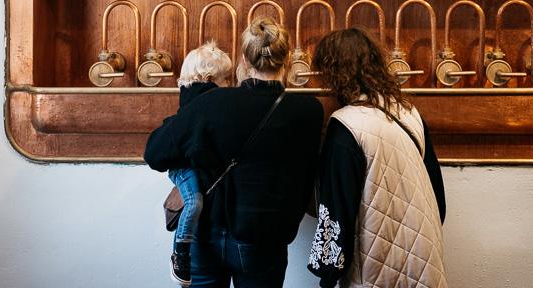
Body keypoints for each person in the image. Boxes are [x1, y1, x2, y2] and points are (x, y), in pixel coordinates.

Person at [145, 16, 324, 288]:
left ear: (244, 60)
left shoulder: (213, 102)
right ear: (287, 60)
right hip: (265, 240)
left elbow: (155, 153)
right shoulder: (309, 111)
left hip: (207, 234)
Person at [306, 27, 447, 288]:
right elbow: (438, 198)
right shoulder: (409, 113)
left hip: (375, 263)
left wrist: (327, 275)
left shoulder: (345, 125)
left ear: (334, 72)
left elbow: (337, 211)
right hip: (425, 256)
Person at [167, 42, 236, 285]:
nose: (230, 84)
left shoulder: (196, 99)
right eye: (226, 78)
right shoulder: (200, 103)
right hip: (184, 168)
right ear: (208, 79)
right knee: (194, 202)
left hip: (187, 167)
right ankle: (180, 253)